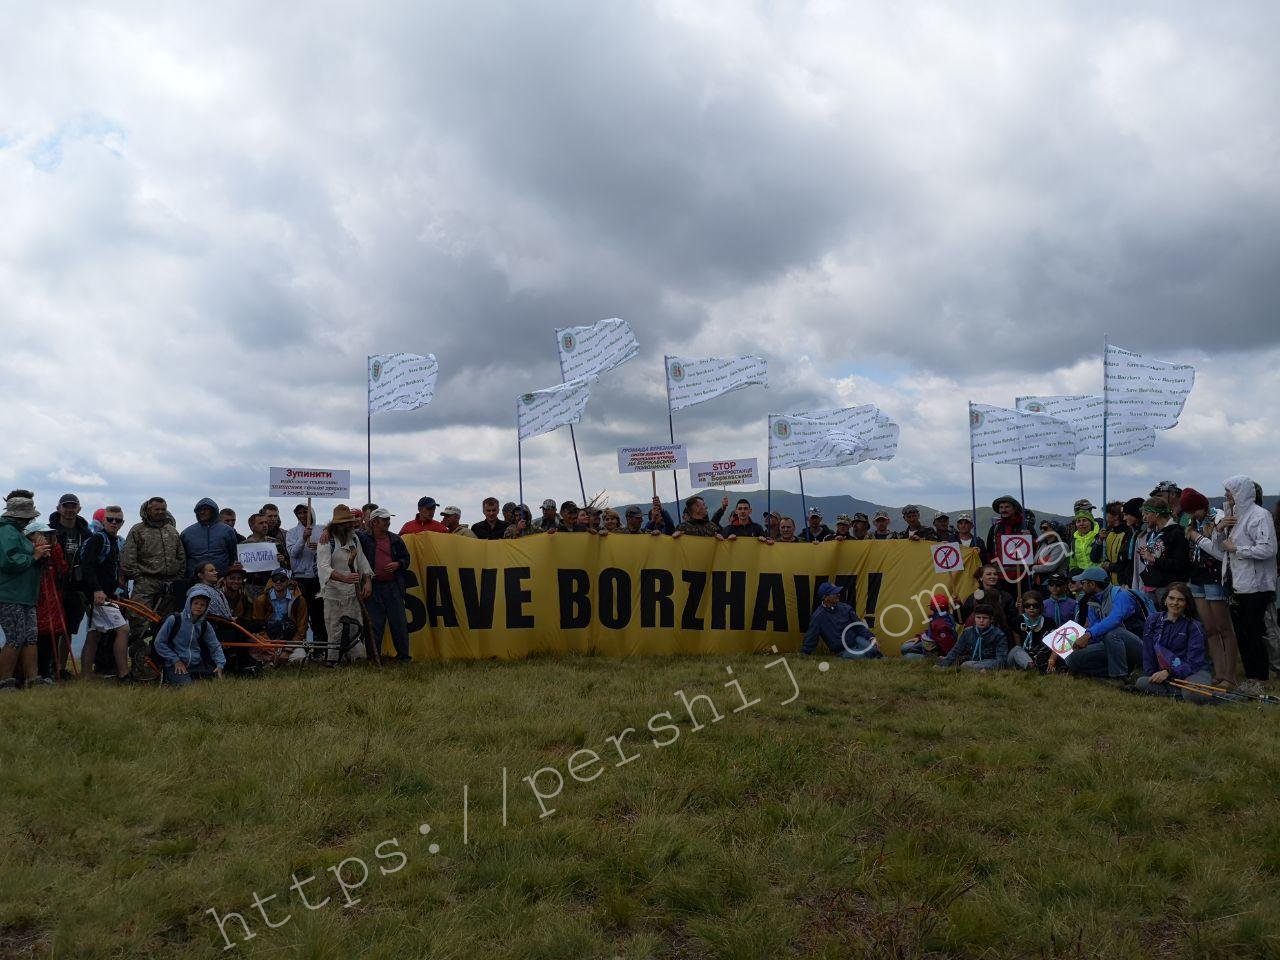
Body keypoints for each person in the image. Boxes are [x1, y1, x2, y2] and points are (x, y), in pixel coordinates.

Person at [1195, 475, 1277, 683]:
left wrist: (1238, 549)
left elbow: (1268, 548)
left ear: (1241, 492)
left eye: (1229, 491)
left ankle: (1260, 679)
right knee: (1242, 634)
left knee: (1254, 633)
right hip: (1235, 583)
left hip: (1256, 585)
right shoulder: (1233, 515)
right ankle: (1251, 677)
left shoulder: (1260, 515)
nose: (1225, 495)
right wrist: (1220, 529)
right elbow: (1220, 547)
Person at [1180, 488, 1237, 685]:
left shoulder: (1218, 518)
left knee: (1224, 627)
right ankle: (1219, 673)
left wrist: (1197, 537)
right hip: (1197, 577)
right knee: (1210, 628)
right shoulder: (1193, 522)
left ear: (1201, 506)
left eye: (1193, 510)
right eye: (1188, 512)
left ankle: (1230, 675)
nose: (1191, 515)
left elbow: (1221, 552)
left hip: (1214, 576)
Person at [0, 495, 51, 690]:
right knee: (15, 637)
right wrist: (35, 555)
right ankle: (4, 681)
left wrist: (37, 554)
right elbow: (8, 561)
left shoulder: (16, 532)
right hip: (9, 594)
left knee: (29, 636)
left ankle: (33, 678)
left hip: (25, 594)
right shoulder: (7, 532)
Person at [1131, 582, 1213, 702]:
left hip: (1194, 671)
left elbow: (1194, 663)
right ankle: (1183, 693)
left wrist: (1168, 672)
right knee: (1142, 683)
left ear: (1187, 604)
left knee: (1193, 694)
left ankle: (1188, 693)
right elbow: (1148, 654)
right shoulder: (1152, 620)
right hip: (1167, 674)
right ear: (1165, 600)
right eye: (1171, 598)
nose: (1175, 603)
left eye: (1180, 600)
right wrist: (1152, 675)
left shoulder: (1194, 626)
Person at [79, 505, 132, 680]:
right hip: (99, 596)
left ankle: (87, 675)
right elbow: (87, 567)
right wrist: (97, 590)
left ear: (122, 522)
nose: (114, 523)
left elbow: (111, 572)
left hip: (105, 595)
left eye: (118, 520)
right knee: (123, 629)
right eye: (110, 519)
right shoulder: (99, 540)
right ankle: (124, 674)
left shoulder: (113, 541)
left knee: (95, 633)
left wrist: (116, 591)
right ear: (103, 521)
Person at [1064, 568, 1146, 681]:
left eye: (1083, 583)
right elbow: (1095, 630)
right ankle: (1118, 673)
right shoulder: (1092, 601)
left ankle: (1120, 677)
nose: (1081, 586)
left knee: (1112, 633)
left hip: (1141, 646)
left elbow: (1114, 620)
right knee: (1072, 659)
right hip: (1112, 646)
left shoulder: (1121, 595)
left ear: (1092, 584)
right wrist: (1076, 644)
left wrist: (1087, 635)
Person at [317, 505, 373, 663]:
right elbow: (323, 567)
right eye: (345, 523)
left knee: (355, 626)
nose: (349, 525)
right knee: (335, 628)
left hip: (352, 592)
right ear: (336, 525)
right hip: (334, 595)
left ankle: (356, 658)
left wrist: (367, 581)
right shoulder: (326, 540)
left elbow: (362, 561)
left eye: (350, 522)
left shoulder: (354, 538)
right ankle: (334, 661)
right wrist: (343, 578)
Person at [121, 496, 186, 623]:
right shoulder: (138, 530)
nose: (160, 512)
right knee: (139, 619)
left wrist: (178, 577)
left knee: (169, 621)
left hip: (170, 584)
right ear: (149, 510)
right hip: (145, 584)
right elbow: (128, 558)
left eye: (163, 509)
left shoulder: (172, 531)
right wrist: (140, 578)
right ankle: (137, 643)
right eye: (157, 509)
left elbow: (181, 556)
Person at [358, 508, 410, 663]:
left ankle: (403, 657)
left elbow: (406, 559)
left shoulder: (395, 539)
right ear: (374, 522)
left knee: (399, 622)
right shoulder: (363, 539)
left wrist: (398, 564)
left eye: (388, 519)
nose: (388, 522)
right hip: (373, 586)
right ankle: (374, 658)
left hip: (392, 585)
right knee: (374, 624)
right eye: (385, 520)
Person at [153, 585, 225, 686]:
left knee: (214, 686)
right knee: (188, 688)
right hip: (175, 664)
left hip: (196, 664)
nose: (199, 607)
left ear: (206, 607)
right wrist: (175, 660)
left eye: (203, 605)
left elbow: (215, 645)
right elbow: (159, 642)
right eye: (196, 603)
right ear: (189, 603)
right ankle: (168, 679)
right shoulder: (174, 619)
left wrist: (220, 664)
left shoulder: (205, 625)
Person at [47, 493, 89, 661]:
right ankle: (49, 666)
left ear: (79, 508)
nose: (70, 510)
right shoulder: (49, 531)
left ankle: (61, 668)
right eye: (66, 506)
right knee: (52, 628)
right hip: (54, 586)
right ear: (59, 508)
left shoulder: (86, 534)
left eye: (73, 506)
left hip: (77, 587)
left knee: (69, 629)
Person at [26, 520, 68, 682]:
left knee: (51, 635)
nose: (47, 538)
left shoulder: (53, 551)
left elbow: (63, 570)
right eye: (43, 534)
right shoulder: (28, 552)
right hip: (37, 600)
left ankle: (46, 671)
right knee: (35, 637)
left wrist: (55, 549)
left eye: (49, 535)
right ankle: (33, 673)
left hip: (52, 600)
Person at [802, 582, 881, 659]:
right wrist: (805, 653)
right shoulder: (817, 617)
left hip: (856, 639)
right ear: (825, 597)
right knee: (863, 656)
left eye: (838, 592)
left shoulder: (846, 608)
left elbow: (859, 626)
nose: (838, 594)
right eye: (834, 593)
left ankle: (881, 659)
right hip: (842, 649)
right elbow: (811, 637)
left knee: (873, 650)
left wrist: (871, 637)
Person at [285, 504, 325, 653]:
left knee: (318, 616)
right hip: (300, 579)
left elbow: (328, 550)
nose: (302, 515)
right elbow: (293, 553)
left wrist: (320, 548)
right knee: (300, 616)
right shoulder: (292, 533)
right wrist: (303, 538)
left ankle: (319, 650)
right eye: (299, 513)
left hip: (316, 578)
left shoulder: (321, 530)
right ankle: (299, 649)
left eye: (305, 512)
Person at [1135, 497, 1190, 595]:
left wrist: (1153, 559)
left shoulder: (1177, 533)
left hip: (1168, 588)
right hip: (1151, 585)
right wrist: (1144, 555)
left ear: (1156, 514)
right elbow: (1151, 561)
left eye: (1147, 514)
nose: (1144, 518)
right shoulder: (1152, 534)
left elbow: (1179, 563)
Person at [250, 568, 309, 651]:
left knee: (298, 657)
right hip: (268, 640)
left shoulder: (299, 600)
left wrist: (289, 648)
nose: (278, 582)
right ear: (271, 581)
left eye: (282, 579)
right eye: (275, 579)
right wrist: (269, 645)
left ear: (288, 581)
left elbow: (302, 628)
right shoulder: (261, 600)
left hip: (291, 639)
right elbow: (258, 627)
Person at [180, 497, 238, 580]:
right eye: (199, 510)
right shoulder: (187, 533)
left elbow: (233, 555)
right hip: (195, 579)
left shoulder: (227, 531)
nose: (202, 512)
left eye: (206, 509)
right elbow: (183, 558)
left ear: (213, 511)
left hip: (221, 578)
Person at [938, 603, 1007, 671]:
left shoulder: (998, 635)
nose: (981, 621)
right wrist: (943, 664)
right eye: (978, 617)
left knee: (967, 665)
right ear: (974, 618)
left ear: (991, 620)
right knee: (958, 661)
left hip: (989, 662)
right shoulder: (968, 632)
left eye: (985, 618)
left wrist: (991, 666)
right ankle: (977, 668)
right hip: (971, 660)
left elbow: (1001, 659)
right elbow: (956, 650)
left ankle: (982, 669)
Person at [986, 495, 1032, 585]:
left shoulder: (1026, 526)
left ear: (1014, 508)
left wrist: (1030, 539)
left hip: (1022, 576)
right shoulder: (995, 528)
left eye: (1007, 507)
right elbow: (990, 550)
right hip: (1000, 577)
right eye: (1001, 507)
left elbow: (1035, 548)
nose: (1003, 510)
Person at [242, 512, 290, 599]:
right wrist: (239, 566)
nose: (265, 525)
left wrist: (283, 561)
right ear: (252, 527)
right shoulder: (244, 546)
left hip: (274, 587)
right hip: (252, 588)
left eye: (265, 522)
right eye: (261, 523)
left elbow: (287, 566)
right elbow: (241, 571)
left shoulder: (276, 543)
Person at [960, 563, 1017, 633]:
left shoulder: (1006, 596)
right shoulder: (974, 597)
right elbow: (961, 619)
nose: (993, 576)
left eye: (995, 574)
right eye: (989, 574)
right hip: (979, 637)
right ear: (981, 578)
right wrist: (957, 606)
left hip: (1000, 637)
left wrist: (1019, 610)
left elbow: (1013, 621)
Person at [901, 593, 958, 660]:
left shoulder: (941, 625)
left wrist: (944, 660)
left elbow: (948, 647)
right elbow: (932, 632)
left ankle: (930, 660)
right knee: (905, 647)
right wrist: (920, 637)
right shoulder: (940, 617)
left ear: (933, 608)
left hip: (935, 653)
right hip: (929, 646)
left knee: (907, 657)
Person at [1007, 590, 1053, 672]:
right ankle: (1032, 667)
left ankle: (1035, 666)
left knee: (1044, 653)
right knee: (1017, 650)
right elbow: (1018, 645)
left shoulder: (1049, 622)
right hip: (1019, 656)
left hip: (1040, 655)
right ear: (1023, 606)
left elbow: (1052, 645)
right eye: (1027, 605)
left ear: (1040, 606)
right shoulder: (1017, 621)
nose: (1031, 608)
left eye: (1035, 605)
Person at [1069, 511, 1101, 576]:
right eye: (1078, 521)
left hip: (1098, 576)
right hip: (1082, 579)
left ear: (1091, 523)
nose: (1081, 524)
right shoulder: (1074, 541)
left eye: (1084, 520)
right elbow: (1073, 563)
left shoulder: (1099, 537)